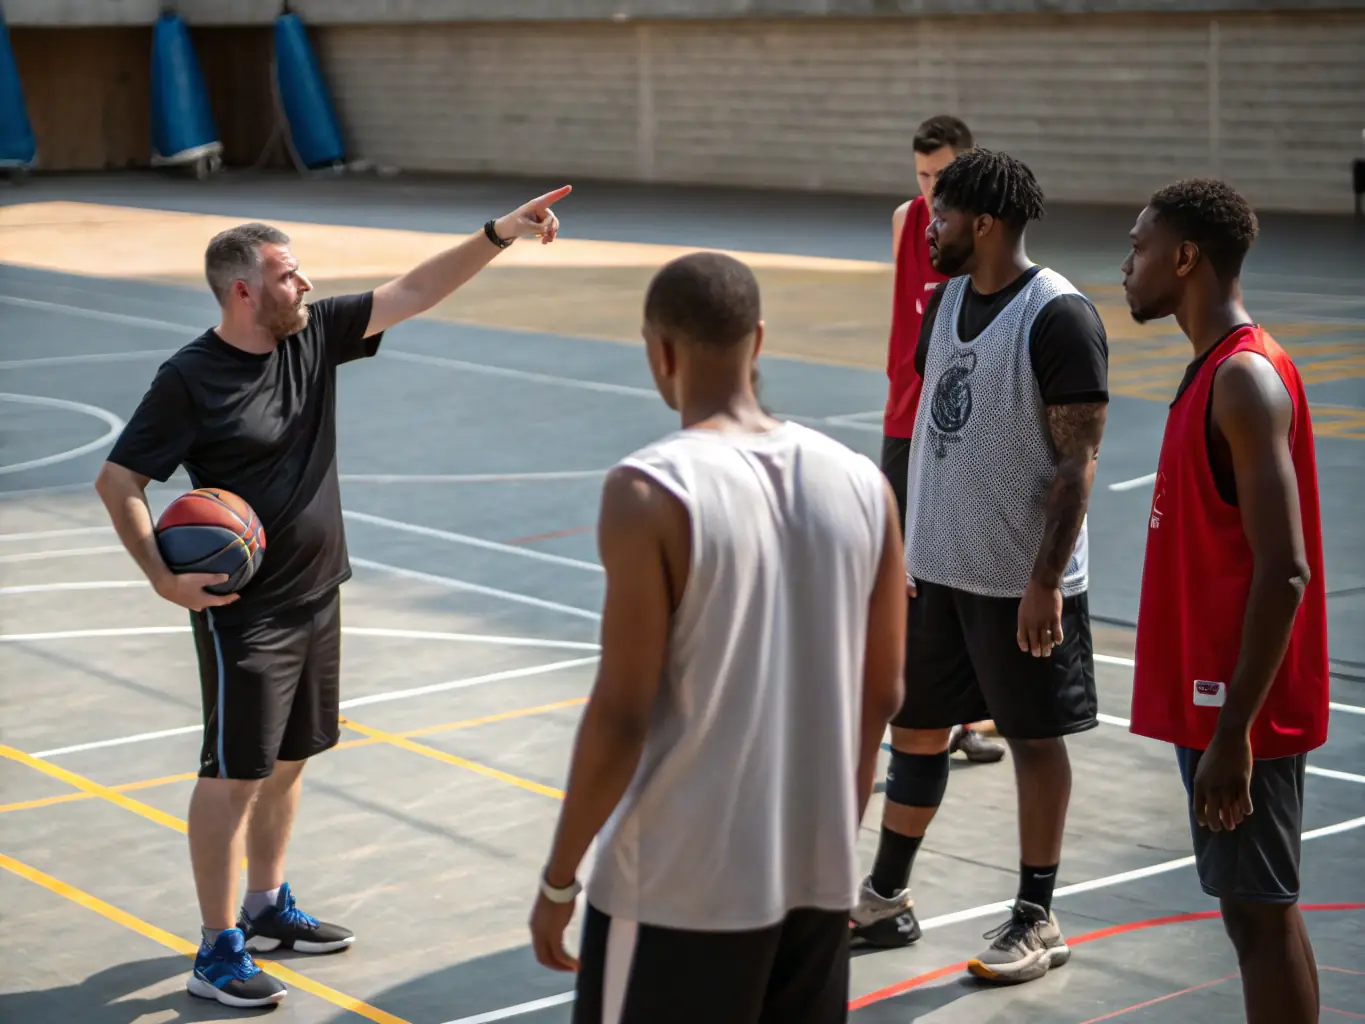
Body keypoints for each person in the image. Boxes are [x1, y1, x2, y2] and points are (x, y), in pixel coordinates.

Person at [93, 186, 572, 1009]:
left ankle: (268, 905)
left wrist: (498, 234)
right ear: (244, 291)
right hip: (246, 616)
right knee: (230, 778)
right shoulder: (191, 379)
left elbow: (413, 291)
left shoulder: (310, 337)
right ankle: (216, 949)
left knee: (289, 761)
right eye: (287, 275)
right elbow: (119, 479)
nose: (305, 285)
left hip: (320, 593)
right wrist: (160, 576)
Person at [527, 251, 907, 1023]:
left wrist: (558, 880)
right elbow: (882, 695)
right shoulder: (865, 483)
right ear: (757, 340)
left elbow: (622, 714)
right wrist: (832, 841)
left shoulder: (648, 489)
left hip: (677, 888)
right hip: (816, 880)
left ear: (657, 352)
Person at [850, 149, 1109, 984]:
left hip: (1017, 584)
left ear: (984, 222)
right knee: (916, 727)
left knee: (1034, 742)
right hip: (939, 571)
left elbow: (1077, 466)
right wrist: (908, 548)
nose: (929, 226)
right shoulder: (947, 300)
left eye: (943, 215)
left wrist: (1044, 583)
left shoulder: (1057, 314)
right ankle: (887, 897)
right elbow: (940, 431)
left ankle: (1037, 915)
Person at [1122, 178, 1329, 1024]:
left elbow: (1285, 571)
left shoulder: (1243, 379)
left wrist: (1232, 733)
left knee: (1259, 915)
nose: (1125, 265)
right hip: (1222, 705)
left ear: (1184, 258)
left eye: (1137, 248)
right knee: (1256, 911)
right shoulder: (1215, 368)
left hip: (1239, 710)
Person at [883, 114, 1006, 768]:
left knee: (957, 570)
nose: (931, 189)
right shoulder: (907, 223)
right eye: (922, 175)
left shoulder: (983, 235)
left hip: (961, 429)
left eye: (942, 175)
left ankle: (967, 715)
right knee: (896, 573)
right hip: (904, 419)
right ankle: (903, 698)